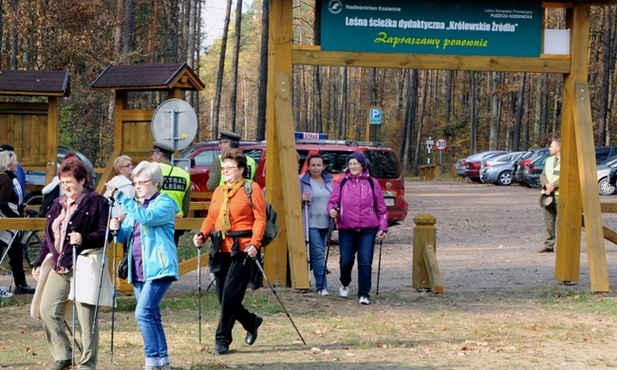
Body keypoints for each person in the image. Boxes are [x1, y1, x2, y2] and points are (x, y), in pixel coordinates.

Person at [31, 158, 112, 370]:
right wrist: (40, 262)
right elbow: (49, 238)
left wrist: (84, 238)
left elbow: (106, 234)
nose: (66, 186)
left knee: (86, 321)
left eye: (70, 182)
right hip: (60, 264)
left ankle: (87, 364)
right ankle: (64, 355)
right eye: (62, 182)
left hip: (85, 263)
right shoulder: (58, 204)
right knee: (46, 310)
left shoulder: (97, 202)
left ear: (83, 180)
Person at [193, 148, 265, 355]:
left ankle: (222, 340)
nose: (225, 171)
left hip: (243, 250)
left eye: (229, 167)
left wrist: (255, 243)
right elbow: (211, 217)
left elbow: (260, 218)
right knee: (223, 297)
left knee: (231, 296)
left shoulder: (252, 189)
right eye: (223, 167)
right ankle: (251, 321)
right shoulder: (219, 191)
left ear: (241, 169)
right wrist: (202, 234)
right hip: (220, 248)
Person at [108, 161, 179, 370]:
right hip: (138, 268)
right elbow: (126, 235)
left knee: (142, 313)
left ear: (155, 182)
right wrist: (116, 229)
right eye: (135, 182)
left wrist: (122, 198)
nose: (137, 185)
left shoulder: (164, 204)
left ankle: (151, 360)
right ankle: (162, 360)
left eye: (142, 182)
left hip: (159, 268)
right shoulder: (137, 208)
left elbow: (147, 219)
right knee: (152, 315)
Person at [327, 152, 388, 305]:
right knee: (346, 261)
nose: (353, 166)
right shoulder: (341, 183)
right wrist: (332, 211)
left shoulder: (372, 183)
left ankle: (364, 293)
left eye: (355, 163)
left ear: (362, 165)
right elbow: (331, 203)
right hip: (347, 227)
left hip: (368, 228)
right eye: (350, 164)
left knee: (365, 261)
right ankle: (345, 282)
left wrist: (383, 227)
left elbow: (381, 208)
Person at [0, 150, 35, 297]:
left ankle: (21, 284)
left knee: (16, 252)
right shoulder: (6, 180)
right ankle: (21, 284)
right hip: (6, 223)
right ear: (8, 163)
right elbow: (2, 203)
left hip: (6, 220)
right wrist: (16, 218)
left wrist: (19, 208)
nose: (17, 164)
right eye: (15, 161)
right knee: (12, 253)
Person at [300, 154, 334, 295]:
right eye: (312, 165)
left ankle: (308, 276)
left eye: (318, 165)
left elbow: (333, 199)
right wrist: (301, 199)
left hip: (326, 223)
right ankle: (322, 287)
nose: (315, 168)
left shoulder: (328, 181)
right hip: (311, 223)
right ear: (308, 166)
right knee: (319, 255)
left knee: (316, 257)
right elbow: (293, 202)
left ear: (323, 166)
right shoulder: (302, 181)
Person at [150, 142, 191, 245]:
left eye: (153, 154)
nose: (151, 157)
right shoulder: (184, 174)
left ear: (159, 155)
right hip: (176, 221)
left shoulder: (151, 171)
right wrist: (183, 222)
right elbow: (186, 203)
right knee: (171, 254)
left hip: (155, 220)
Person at [539, 138, 561, 253]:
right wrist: (546, 184)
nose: (549, 149)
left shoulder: (568, 161)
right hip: (547, 197)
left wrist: (554, 186)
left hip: (560, 196)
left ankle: (563, 245)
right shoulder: (548, 160)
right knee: (548, 221)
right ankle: (549, 245)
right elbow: (542, 175)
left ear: (558, 148)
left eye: (551, 147)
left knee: (562, 222)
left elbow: (569, 177)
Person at [103, 155, 135, 219]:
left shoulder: (115, 181)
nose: (131, 167)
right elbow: (125, 208)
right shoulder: (125, 185)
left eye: (131, 164)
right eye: (127, 165)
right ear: (120, 170)